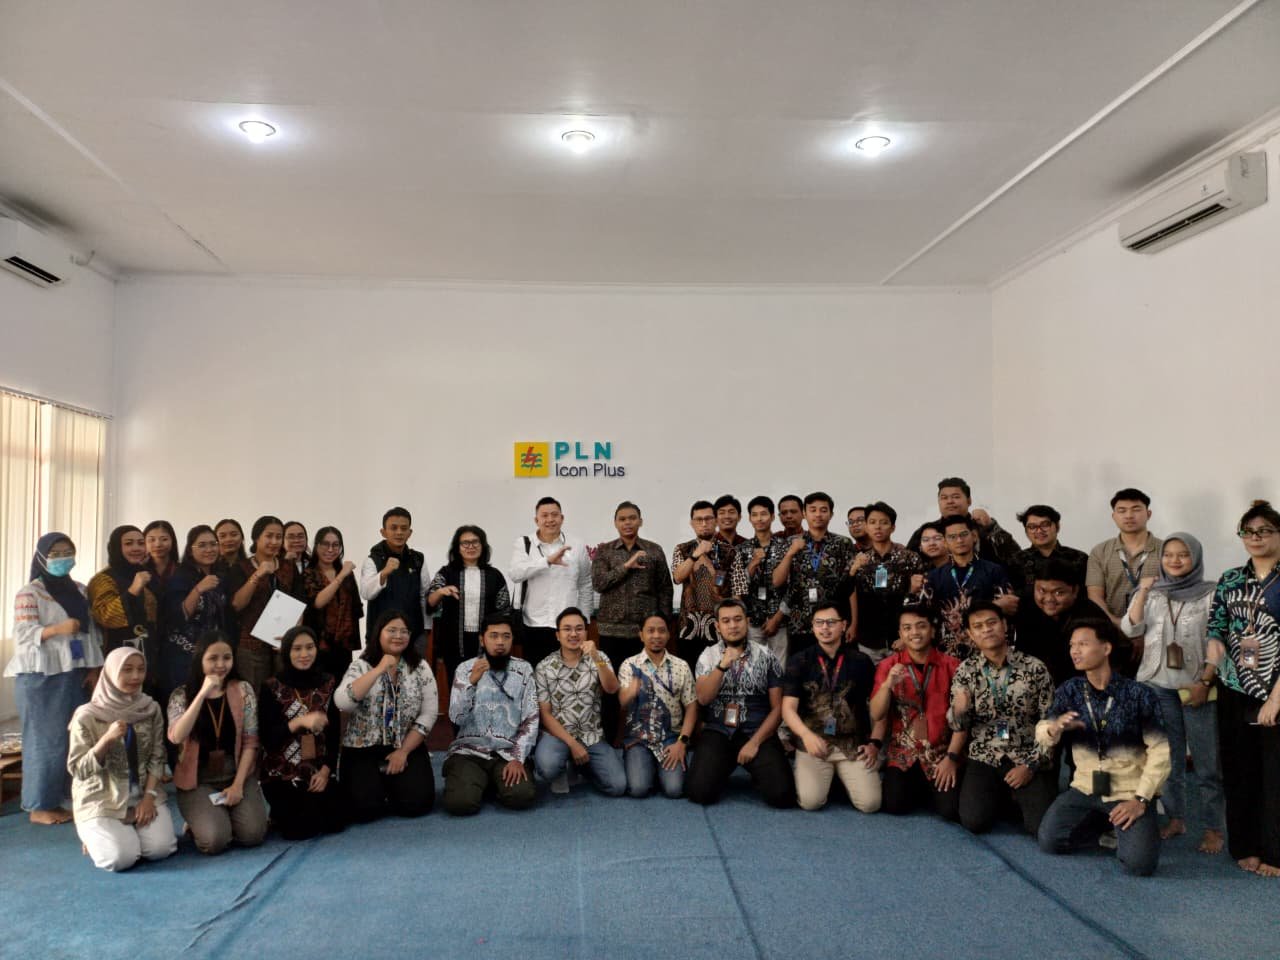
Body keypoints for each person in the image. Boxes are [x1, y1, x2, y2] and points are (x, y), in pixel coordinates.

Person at [1037, 620, 1171, 876]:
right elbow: (1043, 731)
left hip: (1129, 790)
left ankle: (1136, 822)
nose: (1075, 651)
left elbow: (1161, 751)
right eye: (1072, 645)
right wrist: (1053, 729)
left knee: (1140, 865)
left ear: (1106, 648)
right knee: (1049, 841)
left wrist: (1141, 799)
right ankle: (1105, 823)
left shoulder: (1139, 694)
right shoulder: (1071, 690)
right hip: (1086, 786)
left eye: (1083, 644)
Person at [1121, 532, 1224, 852]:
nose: (1175, 560)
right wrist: (1142, 591)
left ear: (1195, 557)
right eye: (1168, 555)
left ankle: (1214, 828)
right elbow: (1130, 628)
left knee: (1207, 763)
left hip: (1195, 686)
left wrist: (1205, 681)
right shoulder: (1152, 593)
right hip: (1156, 685)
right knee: (1167, 759)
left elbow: (1219, 640)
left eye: (1183, 554)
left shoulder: (1212, 593)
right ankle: (1176, 818)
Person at [5, 532, 104, 825]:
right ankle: (39, 806)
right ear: (41, 557)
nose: (62, 558)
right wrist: (56, 630)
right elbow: (23, 635)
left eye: (67, 552)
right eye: (55, 553)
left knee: (75, 738)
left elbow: (91, 634)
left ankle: (65, 798)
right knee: (45, 741)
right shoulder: (30, 593)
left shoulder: (80, 590)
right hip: (41, 675)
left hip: (75, 673)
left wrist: (94, 669)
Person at [1206, 500, 1280, 876]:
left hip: (1276, 688)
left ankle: (1276, 852)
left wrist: (1276, 699)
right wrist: (1213, 653)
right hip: (1235, 686)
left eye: (1264, 530)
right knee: (1239, 769)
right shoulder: (1231, 578)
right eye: (1248, 531)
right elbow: (1216, 626)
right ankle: (1245, 845)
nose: (1256, 537)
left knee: (1274, 773)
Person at [949, 602, 1056, 836]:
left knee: (1039, 827)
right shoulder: (966, 671)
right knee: (973, 821)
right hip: (985, 753)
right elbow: (957, 725)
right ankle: (1004, 796)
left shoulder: (1034, 668)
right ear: (970, 634)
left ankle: (1019, 793)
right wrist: (959, 710)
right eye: (978, 626)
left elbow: (1050, 724)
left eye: (992, 623)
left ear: (1004, 625)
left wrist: (1030, 766)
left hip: (1026, 751)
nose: (986, 630)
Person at [67, 648, 176, 871]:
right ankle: (92, 833)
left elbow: (158, 756)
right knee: (120, 859)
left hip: (142, 794)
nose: (135, 676)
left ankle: (120, 833)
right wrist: (106, 740)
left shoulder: (150, 708)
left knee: (160, 849)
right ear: (110, 672)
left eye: (141, 669)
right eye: (127, 670)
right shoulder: (87, 715)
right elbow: (78, 769)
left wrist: (149, 797)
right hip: (103, 797)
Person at [167, 631, 268, 854]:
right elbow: (176, 736)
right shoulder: (180, 695)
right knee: (215, 841)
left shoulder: (243, 690)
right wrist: (202, 693)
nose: (221, 665)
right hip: (199, 780)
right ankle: (203, 820)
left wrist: (238, 785)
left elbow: (251, 742)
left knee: (254, 834)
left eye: (227, 658)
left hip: (235, 772)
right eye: (213, 658)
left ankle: (223, 815)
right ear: (200, 660)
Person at [686, 599, 794, 808]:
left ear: (747, 621)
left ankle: (757, 769)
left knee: (782, 795)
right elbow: (703, 699)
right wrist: (722, 666)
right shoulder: (708, 656)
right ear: (717, 626)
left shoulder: (766, 656)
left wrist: (755, 743)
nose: (733, 625)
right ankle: (723, 766)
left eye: (738, 619)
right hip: (719, 730)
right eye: (726, 621)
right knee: (698, 792)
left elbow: (777, 709)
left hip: (757, 731)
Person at [335, 611, 438, 822]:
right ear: (378, 633)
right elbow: (343, 703)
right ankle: (380, 786)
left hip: (404, 744)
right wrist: (378, 670)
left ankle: (391, 785)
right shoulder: (361, 665)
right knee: (363, 810)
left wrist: (403, 751)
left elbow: (429, 713)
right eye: (391, 630)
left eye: (404, 631)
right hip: (363, 747)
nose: (398, 636)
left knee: (417, 804)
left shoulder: (420, 667)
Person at [782, 603, 880, 812]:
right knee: (811, 802)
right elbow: (788, 709)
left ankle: (840, 775)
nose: (824, 628)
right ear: (812, 626)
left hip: (852, 744)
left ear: (843, 625)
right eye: (819, 623)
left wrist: (874, 743)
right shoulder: (799, 660)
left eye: (831, 622)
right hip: (814, 744)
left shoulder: (861, 662)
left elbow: (878, 709)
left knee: (870, 804)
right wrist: (806, 736)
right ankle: (830, 776)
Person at [871, 605, 961, 821]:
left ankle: (930, 788)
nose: (914, 633)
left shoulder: (953, 666)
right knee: (894, 805)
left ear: (932, 630)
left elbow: (962, 721)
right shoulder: (888, 665)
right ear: (900, 634)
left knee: (950, 811)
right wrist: (887, 685)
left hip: (940, 752)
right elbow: (876, 714)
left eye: (921, 626)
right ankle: (921, 787)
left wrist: (952, 757)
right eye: (907, 628)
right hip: (904, 752)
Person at [443, 616, 539, 815]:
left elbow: (531, 717)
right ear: (482, 639)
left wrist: (518, 758)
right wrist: (472, 682)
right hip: (469, 752)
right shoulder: (465, 669)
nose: (500, 642)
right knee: (460, 803)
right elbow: (456, 717)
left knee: (521, 796)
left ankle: (488, 782)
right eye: (493, 636)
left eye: (506, 636)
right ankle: (478, 781)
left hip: (507, 752)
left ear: (512, 639)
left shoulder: (524, 669)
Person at [259, 626, 345, 840]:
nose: (304, 654)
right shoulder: (271, 687)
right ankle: (280, 812)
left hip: (317, 770)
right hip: (283, 773)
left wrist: (325, 771)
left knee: (336, 821)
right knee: (299, 830)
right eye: (297, 649)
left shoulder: (328, 683)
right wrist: (298, 722)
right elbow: (268, 739)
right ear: (286, 652)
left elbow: (334, 734)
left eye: (309, 647)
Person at [533, 607, 626, 796]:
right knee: (548, 767)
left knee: (618, 786)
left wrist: (596, 658)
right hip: (558, 735)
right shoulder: (544, 667)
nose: (574, 634)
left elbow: (612, 689)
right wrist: (572, 744)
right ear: (558, 635)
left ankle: (580, 766)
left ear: (586, 632)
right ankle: (563, 766)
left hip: (591, 735)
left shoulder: (600, 657)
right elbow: (545, 714)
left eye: (579, 629)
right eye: (567, 629)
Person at [617, 613, 697, 798]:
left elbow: (692, 707)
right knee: (638, 789)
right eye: (650, 631)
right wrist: (631, 691)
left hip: (671, 737)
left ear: (669, 634)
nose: (656, 636)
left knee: (674, 790)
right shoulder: (630, 664)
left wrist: (682, 742)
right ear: (641, 635)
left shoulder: (681, 666)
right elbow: (622, 702)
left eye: (661, 631)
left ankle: (662, 767)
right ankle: (646, 765)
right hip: (638, 738)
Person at [509, 497, 594, 667]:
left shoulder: (576, 545)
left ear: (562, 518)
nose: (550, 519)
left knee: (569, 674)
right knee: (535, 674)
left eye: (554, 515)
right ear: (536, 520)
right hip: (533, 624)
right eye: (544, 515)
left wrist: (583, 621)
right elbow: (515, 574)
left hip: (567, 628)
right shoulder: (524, 544)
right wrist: (546, 561)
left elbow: (585, 584)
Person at [592, 501, 674, 674]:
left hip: (645, 633)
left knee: (646, 681)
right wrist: (626, 566)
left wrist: (663, 623)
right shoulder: (605, 551)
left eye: (632, 518)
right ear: (615, 523)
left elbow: (665, 588)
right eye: (622, 519)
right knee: (611, 680)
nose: (627, 522)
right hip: (611, 632)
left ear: (640, 521)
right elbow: (599, 583)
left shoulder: (654, 550)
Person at [225, 515, 303, 690]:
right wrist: (257, 574)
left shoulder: (289, 566)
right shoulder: (240, 567)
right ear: (256, 538)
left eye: (278, 537)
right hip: (251, 645)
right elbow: (237, 604)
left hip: (283, 644)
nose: (274, 542)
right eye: (269, 536)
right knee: (254, 695)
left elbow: (299, 604)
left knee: (284, 694)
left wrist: (292, 636)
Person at [773, 492, 856, 654]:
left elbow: (851, 587)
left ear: (831, 514)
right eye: (813, 510)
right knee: (802, 667)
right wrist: (790, 553)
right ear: (804, 513)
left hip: (833, 624)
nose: (818, 514)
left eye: (823, 510)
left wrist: (854, 623)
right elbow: (777, 581)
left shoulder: (843, 543)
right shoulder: (790, 543)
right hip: (800, 623)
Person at [427, 525, 510, 686]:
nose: (470, 546)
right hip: (453, 641)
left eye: (475, 542)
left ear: (483, 546)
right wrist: (441, 591)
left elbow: (504, 610)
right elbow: (430, 602)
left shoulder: (495, 575)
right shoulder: (446, 572)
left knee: (487, 686)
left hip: (487, 641)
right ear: (457, 548)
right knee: (457, 685)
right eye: (465, 543)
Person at [842, 501, 925, 660]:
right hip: (868, 638)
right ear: (866, 526)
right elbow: (845, 592)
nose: (878, 527)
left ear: (893, 527)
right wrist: (853, 570)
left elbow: (921, 599)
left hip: (901, 637)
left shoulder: (909, 558)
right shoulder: (858, 559)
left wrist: (907, 635)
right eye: (872, 522)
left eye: (884, 522)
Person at [925, 515, 1016, 660]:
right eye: (952, 537)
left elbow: (1010, 606)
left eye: (963, 534)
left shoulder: (993, 570)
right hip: (948, 654)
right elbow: (926, 615)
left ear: (974, 536)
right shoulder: (934, 577)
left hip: (987, 649)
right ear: (945, 542)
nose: (959, 540)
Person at [1012, 558, 1110, 687]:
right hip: (1030, 684)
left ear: (1075, 591)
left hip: (1078, 687)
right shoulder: (1022, 605)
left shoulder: (1091, 616)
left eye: (1058, 593)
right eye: (1041, 591)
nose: (1049, 599)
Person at [159, 525, 230, 704]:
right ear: (191, 550)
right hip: (183, 657)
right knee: (184, 704)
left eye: (213, 544)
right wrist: (198, 589)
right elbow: (178, 616)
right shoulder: (180, 577)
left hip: (211, 655)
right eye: (202, 545)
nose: (209, 549)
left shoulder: (220, 576)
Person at [907, 477, 1022, 577]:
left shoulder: (984, 527)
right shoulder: (927, 532)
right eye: (944, 498)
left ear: (969, 500)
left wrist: (991, 526)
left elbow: (1017, 560)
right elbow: (907, 565)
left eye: (956, 497)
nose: (950, 501)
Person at [1087, 488, 1163, 628]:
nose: (1129, 515)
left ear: (1148, 514)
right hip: (1111, 628)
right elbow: (1095, 596)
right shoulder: (1100, 551)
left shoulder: (1166, 550)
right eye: (1122, 511)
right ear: (1114, 516)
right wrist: (1118, 623)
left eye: (1136, 509)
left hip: (1156, 629)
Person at [729, 495, 790, 667]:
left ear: (772, 516)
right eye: (754, 515)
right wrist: (753, 563)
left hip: (779, 620)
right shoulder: (741, 549)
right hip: (752, 620)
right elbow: (738, 586)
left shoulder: (785, 546)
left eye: (763, 514)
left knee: (779, 669)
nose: (759, 519)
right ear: (749, 518)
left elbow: (793, 586)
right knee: (754, 669)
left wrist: (777, 618)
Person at [673, 501, 734, 667]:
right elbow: (677, 577)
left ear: (716, 521)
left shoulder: (729, 551)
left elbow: (738, 591)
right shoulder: (682, 549)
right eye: (699, 519)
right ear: (691, 523)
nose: (704, 523)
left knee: (719, 674)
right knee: (689, 676)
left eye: (708, 519)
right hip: (688, 627)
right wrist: (695, 554)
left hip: (719, 628)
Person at [358, 507, 429, 648]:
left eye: (404, 528)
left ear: (410, 533)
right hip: (380, 637)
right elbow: (366, 593)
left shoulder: (418, 559)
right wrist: (384, 573)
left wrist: (427, 628)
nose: (399, 532)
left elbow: (424, 595)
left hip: (413, 635)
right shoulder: (373, 559)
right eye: (393, 528)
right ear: (383, 532)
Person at [302, 526, 364, 681]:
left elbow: (355, 608)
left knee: (341, 688)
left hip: (343, 645)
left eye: (335, 545)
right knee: (320, 686)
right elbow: (317, 602)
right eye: (325, 544)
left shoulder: (347, 573)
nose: (330, 549)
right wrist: (341, 576)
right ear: (317, 546)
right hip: (318, 643)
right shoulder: (309, 573)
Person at [87, 525, 158, 658]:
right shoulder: (103, 579)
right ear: (116, 547)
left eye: (141, 543)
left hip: (148, 651)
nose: (136, 548)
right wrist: (132, 591)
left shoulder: (146, 574)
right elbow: (105, 617)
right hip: (116, 654)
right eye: (128, 543)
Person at [1013, 505, 1088, 597]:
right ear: (1026, 531)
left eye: (1045, 525)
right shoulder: (1015, 561)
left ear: (1057, 526)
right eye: (1032, 527)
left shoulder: (1079, 558)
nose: (1039, 531)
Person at [143, 520, 180, 594]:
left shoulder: (183, 570)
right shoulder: (139, 570)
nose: (158, 544)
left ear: (172, 541)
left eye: (164, 539)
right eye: (152, 540)